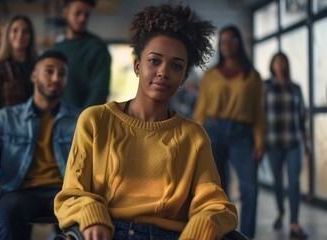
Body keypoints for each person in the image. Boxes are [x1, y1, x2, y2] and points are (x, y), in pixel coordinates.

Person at [54, 4, 238, 240]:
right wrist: (91, 214)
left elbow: (218, 205)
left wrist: (204, 223)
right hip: (105, 231)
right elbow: (71, 194)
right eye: (154, 61)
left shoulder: (193, 136)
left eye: (176, 66)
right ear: (137, 65)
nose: (164, 72)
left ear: (183, 78)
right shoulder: (95, 120)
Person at [0, 50, 80, 240]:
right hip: (20, 191)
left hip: (65, 192)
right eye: (49, 71)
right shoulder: (5, 117)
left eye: (62, 73)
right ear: (34, 76)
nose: (56, 78)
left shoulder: (81, 119)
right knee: (8, 212)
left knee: (88, 214)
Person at [192, 25, 265, 238]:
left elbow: (259, 113)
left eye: (232, 40)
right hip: (213, 131)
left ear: (239, 44)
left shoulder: (252, 77)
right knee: (216, 190)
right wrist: (196, 139)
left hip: (243, 134)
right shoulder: (211, 75)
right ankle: (222, 235)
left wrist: (259, 143)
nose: (227, 45)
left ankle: (248, 236)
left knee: (249, 188)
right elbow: (200, 110)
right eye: (223, 41)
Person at [264, 52, 310, 239]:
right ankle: (281, 211)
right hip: (273, 143)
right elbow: (260, 115)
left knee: (294, 182)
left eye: (283, 61)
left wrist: (307, 142)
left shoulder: (296, 88)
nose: (280, 64)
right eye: (276, 61)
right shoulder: (265, 87)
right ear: (272, 65)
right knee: (277, 182)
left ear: (286, 65)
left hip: (294, 142)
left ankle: (295, 222)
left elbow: (302, 116)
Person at [52, 0, 111, 109]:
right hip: (58, 118)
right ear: (65, 13)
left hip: (84, 120)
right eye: (78, 13)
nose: (82, 18)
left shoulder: (97, 47)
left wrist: (83, 120)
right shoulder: (57, 48)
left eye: (86, 15)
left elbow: (100, 90)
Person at [0, 15, 38, 117]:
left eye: (25, 31)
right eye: (15, 30)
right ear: (7, 35)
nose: (20, 35)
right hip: (10, 128)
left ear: (31, 36)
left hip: (39, 126)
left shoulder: (39, 66)